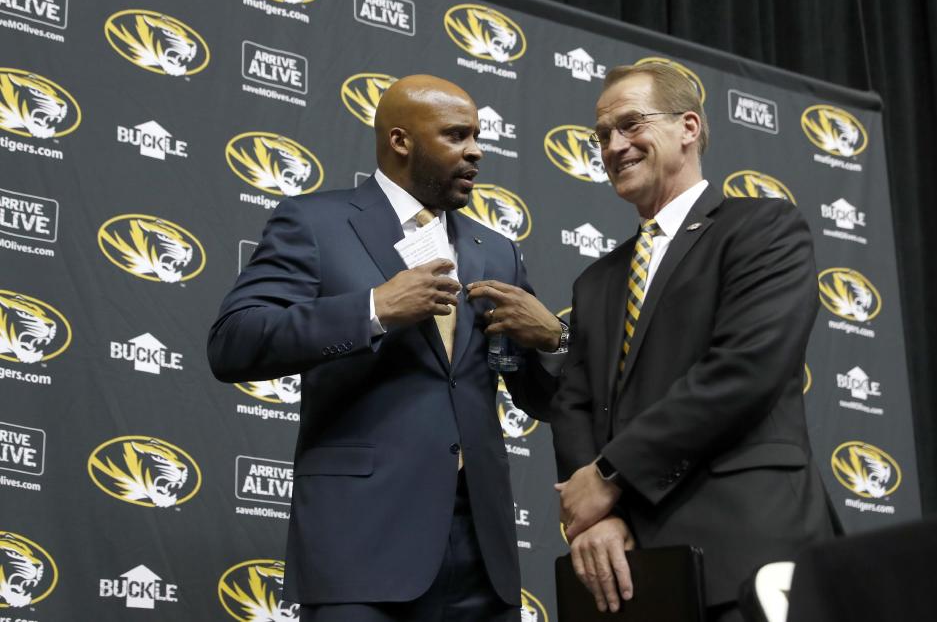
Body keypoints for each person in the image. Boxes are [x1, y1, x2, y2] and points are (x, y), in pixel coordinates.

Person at [207, 75, 564, 622]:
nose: (477, 151)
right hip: (360, 548)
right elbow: (234, 342)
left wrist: (553, 342)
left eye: (478, 136)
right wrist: (372, 309)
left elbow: (540, 399)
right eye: (456, 135)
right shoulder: (315, 223)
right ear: (401, 141)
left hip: (482, 554)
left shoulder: (495, 250)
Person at [551, 63, 837, 622]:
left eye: (631, 124)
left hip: (746, 554)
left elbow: (744, 370)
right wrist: (594, 517)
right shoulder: (597, 282)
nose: (614, 145)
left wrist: (610, 476)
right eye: (602, 134)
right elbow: (574, 402)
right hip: (633, 573)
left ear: (688, 127)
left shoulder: (763, 229)